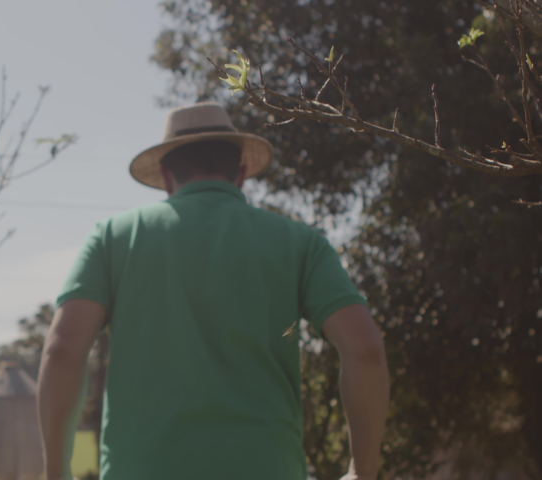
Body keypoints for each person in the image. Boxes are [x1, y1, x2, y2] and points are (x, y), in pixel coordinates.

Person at [37, 103, 389, 480]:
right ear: (240, 173)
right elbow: (365, 350)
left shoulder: (112, 238)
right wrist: (363, 472)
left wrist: (57, 474)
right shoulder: (301, 243)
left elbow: (61, 350)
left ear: (165, 174)